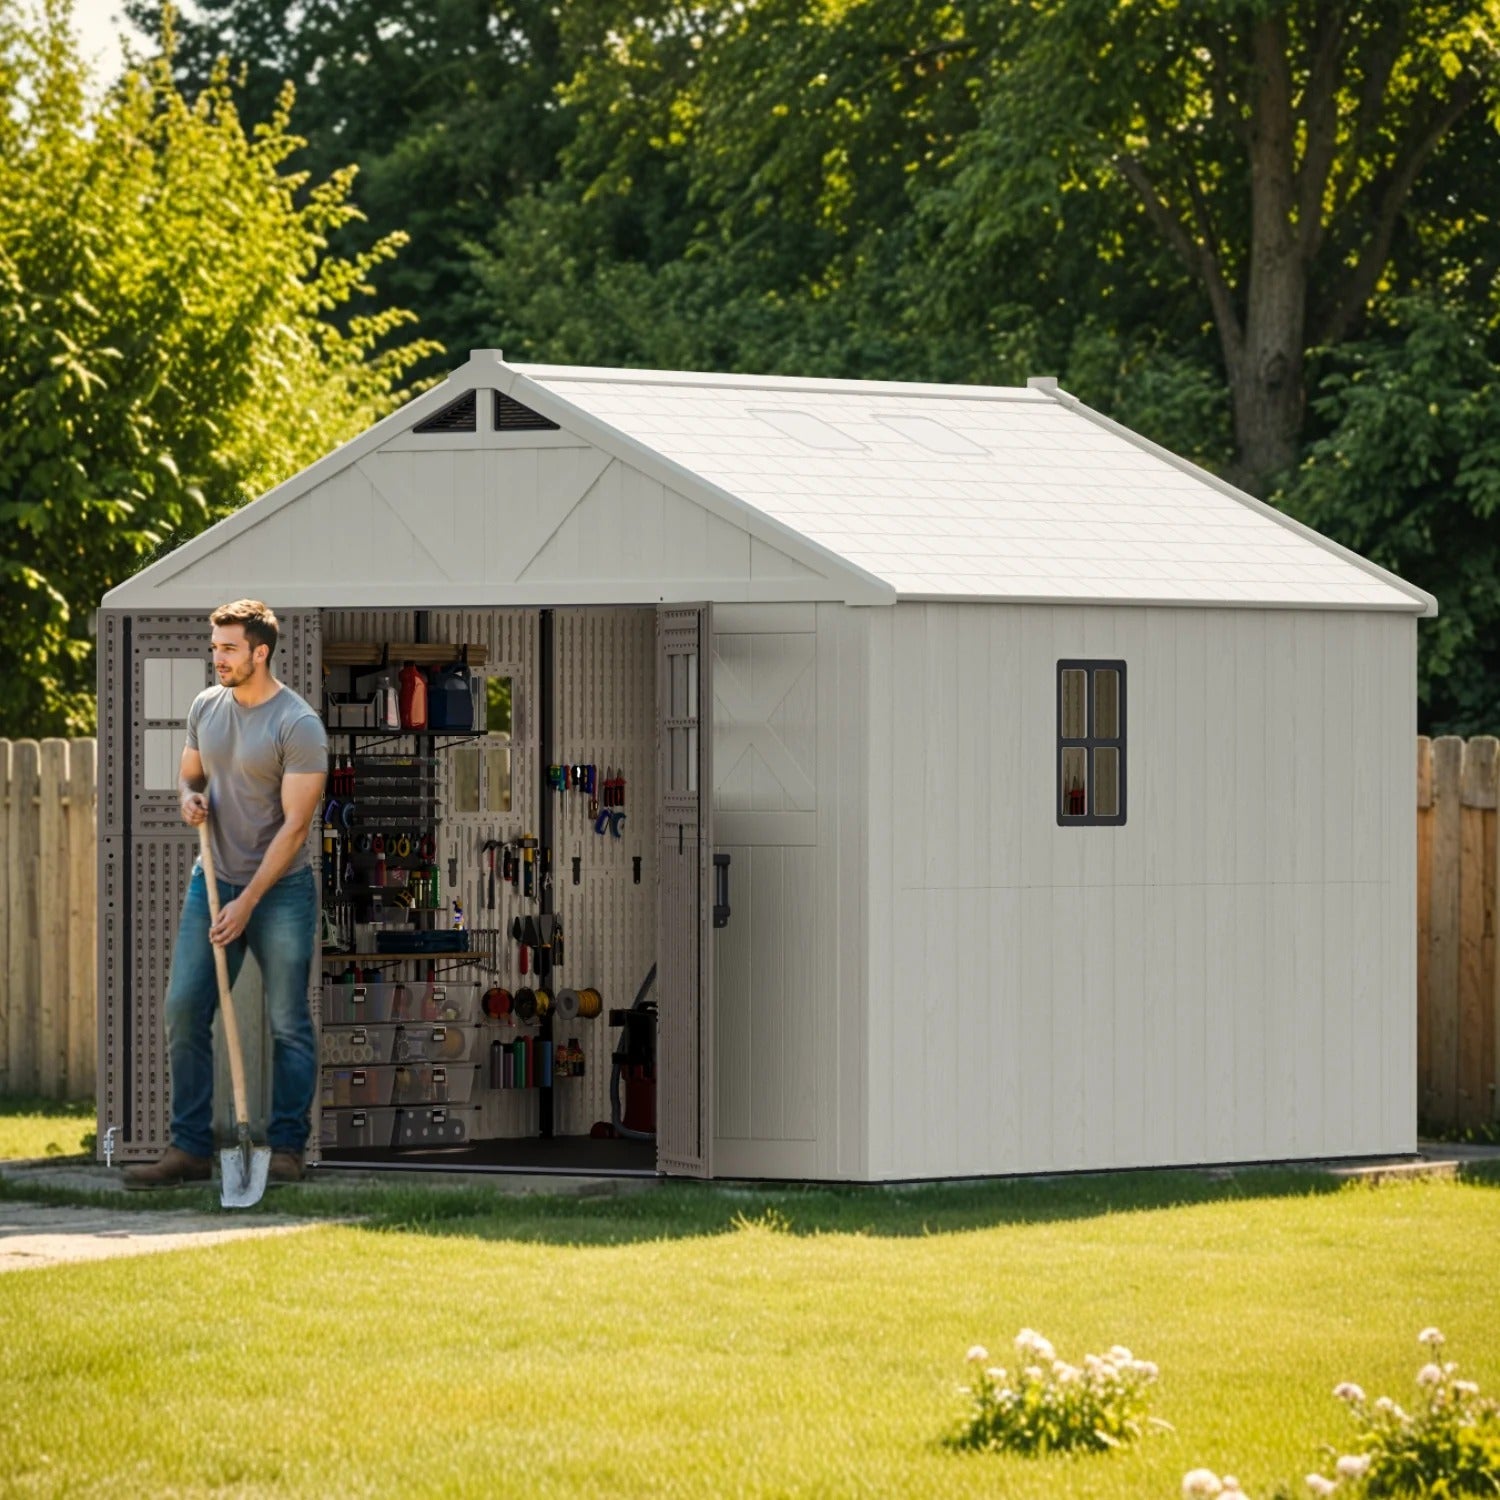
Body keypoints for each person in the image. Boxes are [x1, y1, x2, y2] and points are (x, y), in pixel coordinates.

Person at [124, 600, 328, 1189]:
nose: (217, 658)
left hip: (281, 890)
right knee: (184, 1009)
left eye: (229, 648)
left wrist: (247, 903)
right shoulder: (206, 708)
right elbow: (191, 775)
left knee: (287, 1019)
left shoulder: (298, 725)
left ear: (260, 652)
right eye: (215, 647)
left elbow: (295, 827)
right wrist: (187, 798)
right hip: (212, 881)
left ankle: (287, 1148)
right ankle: (189, 1149)